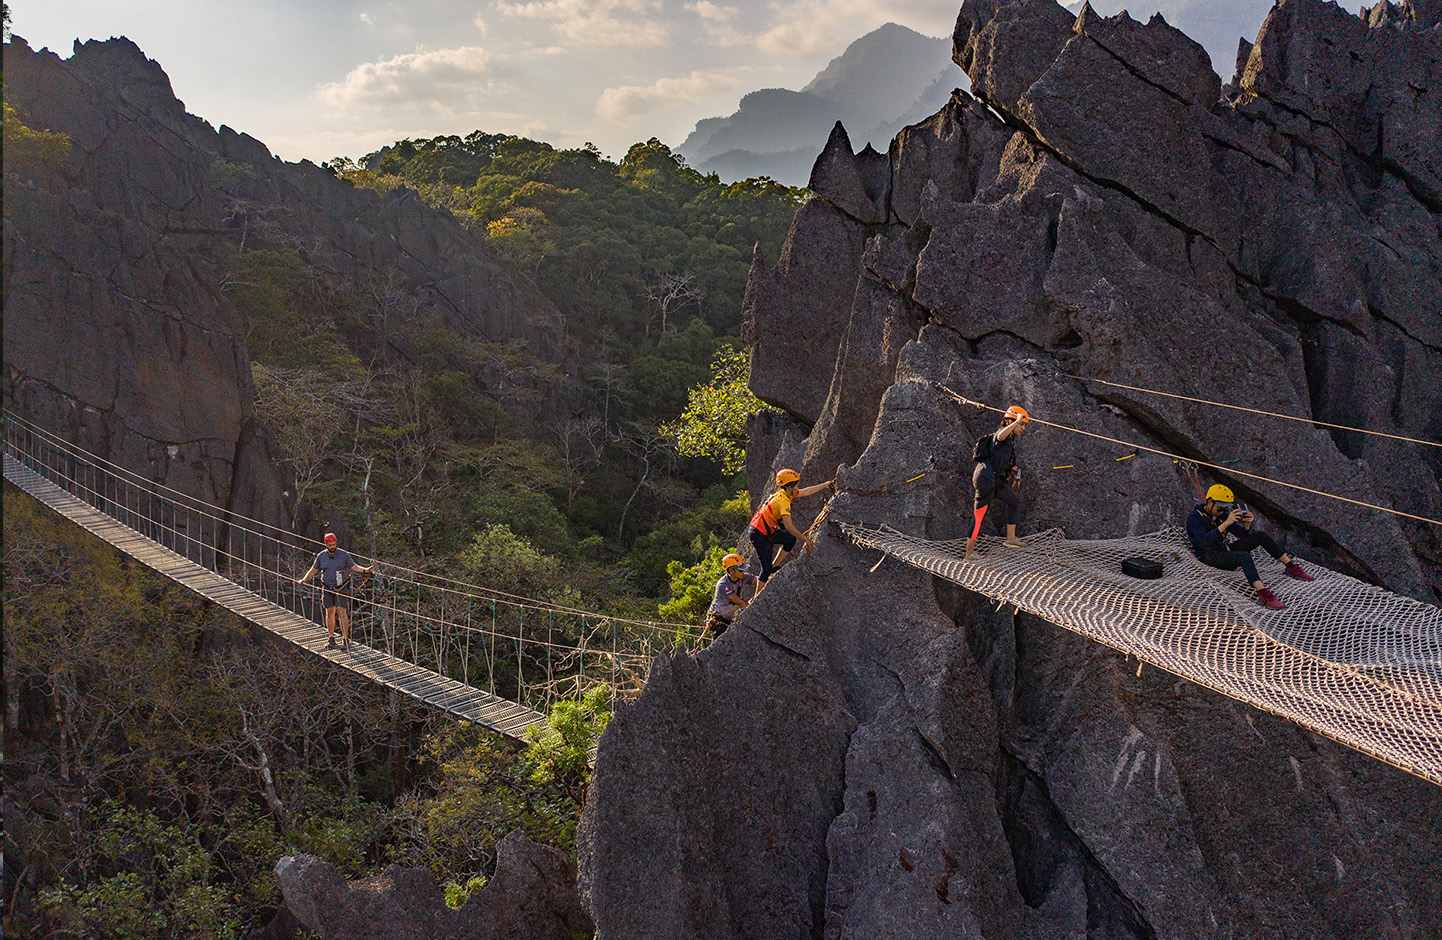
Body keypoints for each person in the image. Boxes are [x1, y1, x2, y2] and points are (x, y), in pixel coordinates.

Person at [1185, 481, 1313, 610]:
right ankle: (1263, 594)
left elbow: (1243, 536)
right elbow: (1203, 542)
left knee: (1260, 536)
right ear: (1209, 502)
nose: (1222, 511)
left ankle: (1291, 567)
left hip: (1224, 550)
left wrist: (1246, 525)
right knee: (1243, 556)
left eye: (1226, 507)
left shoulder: (1221, 515)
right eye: (1220, 507)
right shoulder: (1195, 518)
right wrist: (1225, 524)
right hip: (1210, 557)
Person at [964, 405, 1029, 561]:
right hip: (985, 480)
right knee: (979, 516)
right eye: (1022, 424)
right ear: (1009, 422)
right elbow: (1000, 436)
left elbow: (1001, 460)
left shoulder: (1009, 443)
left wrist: (1013, 469)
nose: (1023, 428)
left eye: (1024, 425)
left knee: (1013, 502)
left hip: (996, 480)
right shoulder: (1000, 436)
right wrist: (1016, 421)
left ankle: (1011, 539)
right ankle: (968, 554)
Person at [748, 468, 835, 583]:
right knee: (766, 569)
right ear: (788, 487)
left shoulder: (785, 493)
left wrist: (825, 485)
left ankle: (774, 566)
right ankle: (757, 598)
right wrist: (806, 540)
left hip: (766, 530)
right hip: (758, 533)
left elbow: (806, 491)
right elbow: (789, 527)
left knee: (790, 540)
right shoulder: (783, 501)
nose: (797, 488)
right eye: (795, 485)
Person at [298, 532, 373, 650]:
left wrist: (365, 570)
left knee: (342, 612)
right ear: (326, 544)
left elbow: (354, 567)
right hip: (327, 588)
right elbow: (313, 570)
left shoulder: (344, 555)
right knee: (330, 612)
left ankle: (345, 639)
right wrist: (304, 579)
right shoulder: (321, 556)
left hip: (341, 588)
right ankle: (331, 638)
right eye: (330, 545)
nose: (332, 546)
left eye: (334, 544)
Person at [705, 552, 759, 638]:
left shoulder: (742, 576)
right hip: (718, 619)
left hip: (728, 616)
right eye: (740, 570)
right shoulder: (723, 585)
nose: (743, 571)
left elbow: (759, 580)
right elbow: (740, 603)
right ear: (731, 571)